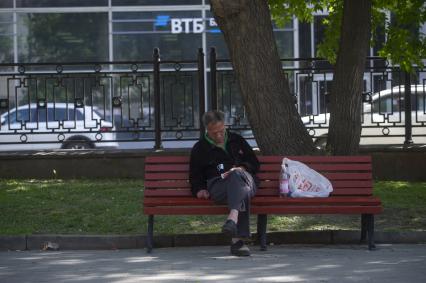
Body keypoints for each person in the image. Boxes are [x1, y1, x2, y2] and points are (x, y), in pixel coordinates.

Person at [189, 110, 259, 256]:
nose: (219, 135)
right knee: (239, 189)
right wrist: (199, 189)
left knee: (237, 176)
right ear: (207, 130)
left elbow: (255, 163)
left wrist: (242, 168)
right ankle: (237, 238)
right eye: (214, 133)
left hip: (246, 180)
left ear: (225, 125)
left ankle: (233, 221)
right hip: (218, 185)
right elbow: (194, 175)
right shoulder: (200, 148)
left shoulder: (237, 140)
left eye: (221, 131)